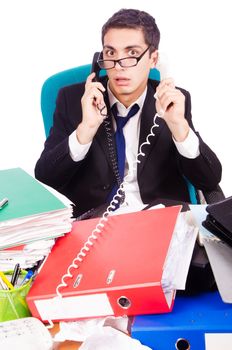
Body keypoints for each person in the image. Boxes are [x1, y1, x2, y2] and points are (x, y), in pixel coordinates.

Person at [35, 8, 222, 218]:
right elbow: (45, 178)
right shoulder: (72, 99)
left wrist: (180, 128)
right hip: (93, 225)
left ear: (153, 59)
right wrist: (85, 130)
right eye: (111, 53)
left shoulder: (173, 101)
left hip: (160, 221)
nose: (119, 66)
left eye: (132, 53)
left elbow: (210, 180)